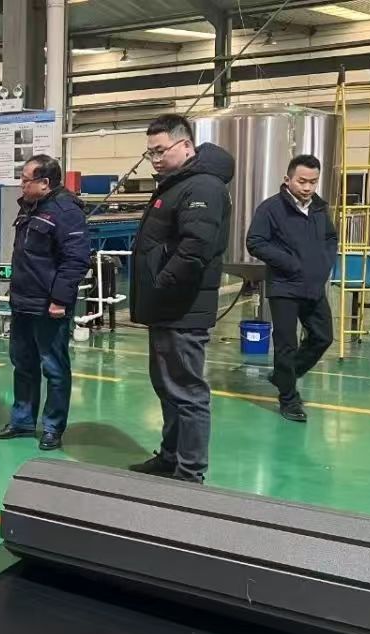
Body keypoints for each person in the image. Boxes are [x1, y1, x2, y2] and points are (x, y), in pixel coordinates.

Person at [128, 114, 234, 484]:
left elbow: (195, 249)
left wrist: (162, 283)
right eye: (150, 152)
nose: (155, 159)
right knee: (168, 387)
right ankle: (170, 456)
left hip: (182, 307)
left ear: (185, 145)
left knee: (187, 392)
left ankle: (190, 473)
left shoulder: (202, 186)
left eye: (160, 151)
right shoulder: (177, 184)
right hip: (167, 307)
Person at [0, 155, 90, 450]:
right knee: (23, 364)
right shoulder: (30, 207)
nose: (22, 184)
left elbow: (75, 260)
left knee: (54, 368)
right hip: (23, 301)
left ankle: (53, 427)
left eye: (26, 180)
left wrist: (59, 299)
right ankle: (22, 421)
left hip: (48, 305)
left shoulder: (66, 212)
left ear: (45, 183)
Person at [246, 154, 337, 423]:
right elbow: (255, 242)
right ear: (288, 179)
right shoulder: (271, 208)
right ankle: (289, 399)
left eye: (313, 182)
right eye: (302, 181)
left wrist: (324, 263)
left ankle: (283, 375)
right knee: (286, 344)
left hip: (313, 285)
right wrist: (291, 264)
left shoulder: (319, 208)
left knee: (323, 337)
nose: (307, 187)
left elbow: (330, 238)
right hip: (284, 286)